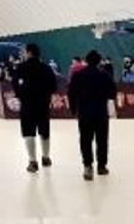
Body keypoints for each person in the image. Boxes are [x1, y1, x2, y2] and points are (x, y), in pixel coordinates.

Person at [68, 50, 117, 181]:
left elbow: (71, 93)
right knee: (102, 140)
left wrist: (73, 109)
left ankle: (88, 166)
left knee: (85, 139)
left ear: (86, 61)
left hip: (84, 112)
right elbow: (112, 94)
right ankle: (101, 166)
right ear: (99, 61)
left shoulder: (78, 75)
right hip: (101, 112)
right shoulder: (105, 75)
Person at [13, 43, 57, 173]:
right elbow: (53, 86)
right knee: (44, 131)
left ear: (29, 53)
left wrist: (21, 95)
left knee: (28, 132)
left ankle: (33, 161)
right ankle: (46, 157)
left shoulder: (21, 68)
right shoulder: (46, 68)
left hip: (27, 104)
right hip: (43, 104)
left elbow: (15, 85)